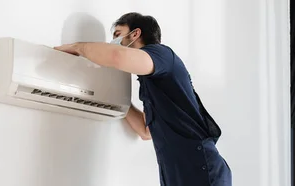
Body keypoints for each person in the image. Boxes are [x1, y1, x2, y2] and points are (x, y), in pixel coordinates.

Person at [54, 12, 232, 186]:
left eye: (117, 35)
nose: (113, 42)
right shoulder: (152, 80)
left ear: (136, 33)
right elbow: (145, 131)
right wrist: (117, 99)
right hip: (179, 172)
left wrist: (78, 47)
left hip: (199, 168)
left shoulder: (161, 54)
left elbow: (117, 56)